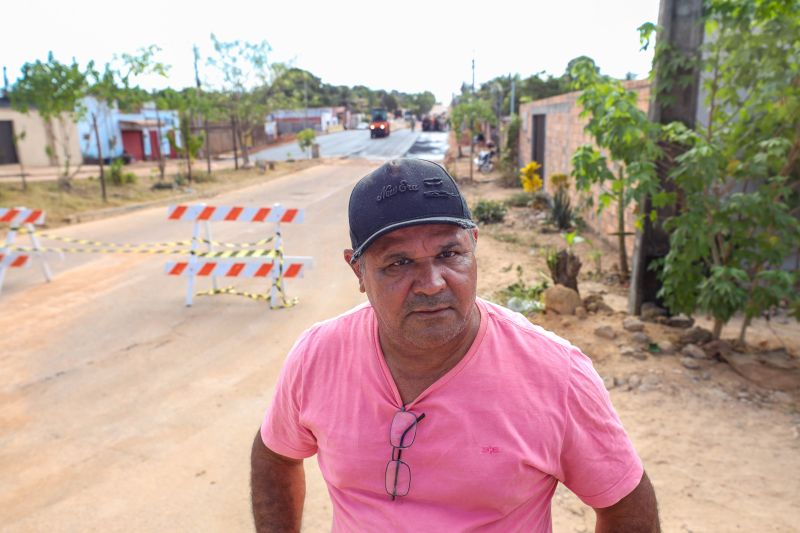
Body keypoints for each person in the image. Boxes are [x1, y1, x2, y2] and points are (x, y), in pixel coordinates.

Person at [251, 159, 660, 532]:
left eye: (449, 253)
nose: (431, 284)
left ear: (474, 245)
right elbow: (275, 453)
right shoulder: (318, 356)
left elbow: (625, 502)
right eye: (399, 263)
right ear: (358, 270)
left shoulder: (556, 374)